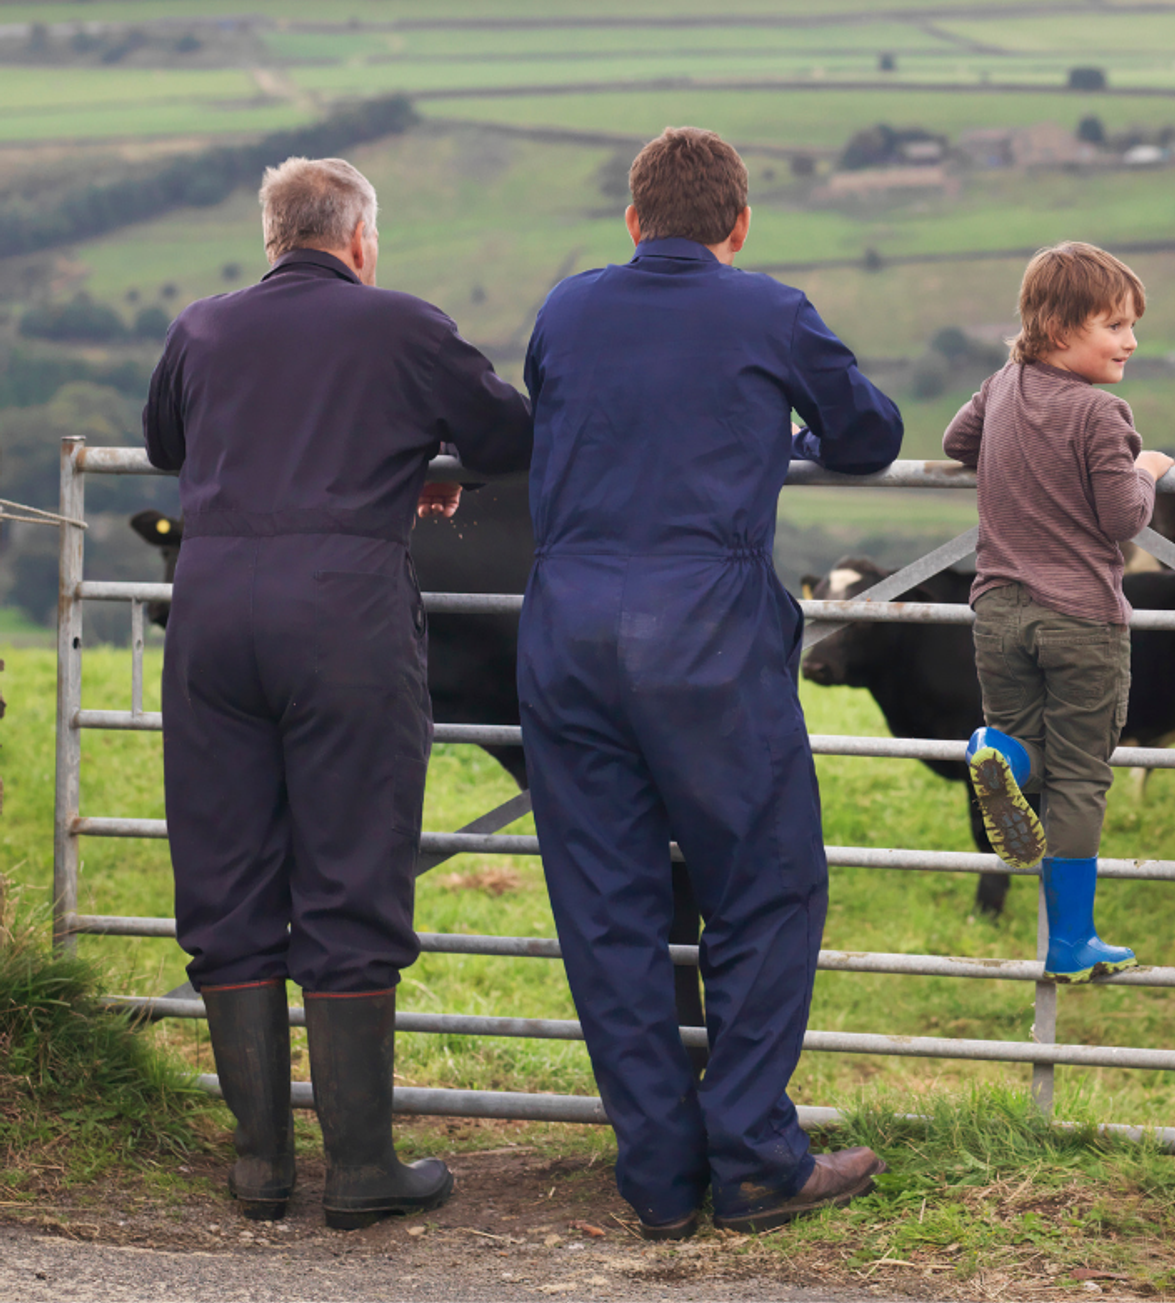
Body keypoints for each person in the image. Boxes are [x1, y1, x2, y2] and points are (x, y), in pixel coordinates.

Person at [519, 127, 903, 1238]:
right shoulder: (767, 310)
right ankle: (753, 1156)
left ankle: (655, 1179)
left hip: (567, 631)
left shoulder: (565, 310)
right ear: (737, 227)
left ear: (632, 223)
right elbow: (868, 434)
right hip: (707, 636)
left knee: (606, 907)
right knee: (767, 887)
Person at [143, 157, 534, 1228]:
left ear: (273, 237)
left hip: (213, 611)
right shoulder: (403, 327)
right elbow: (510, 437)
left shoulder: (203, 327)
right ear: (358, 240)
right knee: (350, 866)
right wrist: (423, 461)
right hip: (343, 614)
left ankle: (260, 1165)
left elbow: (169, 446)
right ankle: (361, 1168)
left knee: (226, 875)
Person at [943, 242, 1174, 982]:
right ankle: (1070, 944)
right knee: (1079, 776)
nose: (1130, 341)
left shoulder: (1002, 384)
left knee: (1032, 755)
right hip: (1080, 620)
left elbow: (956, 442)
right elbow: (1121, 519)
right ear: (1058, 326)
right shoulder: (1102, 413)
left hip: (999, 612)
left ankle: (1000, 753)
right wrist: (1147, 469)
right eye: (1114, 325)